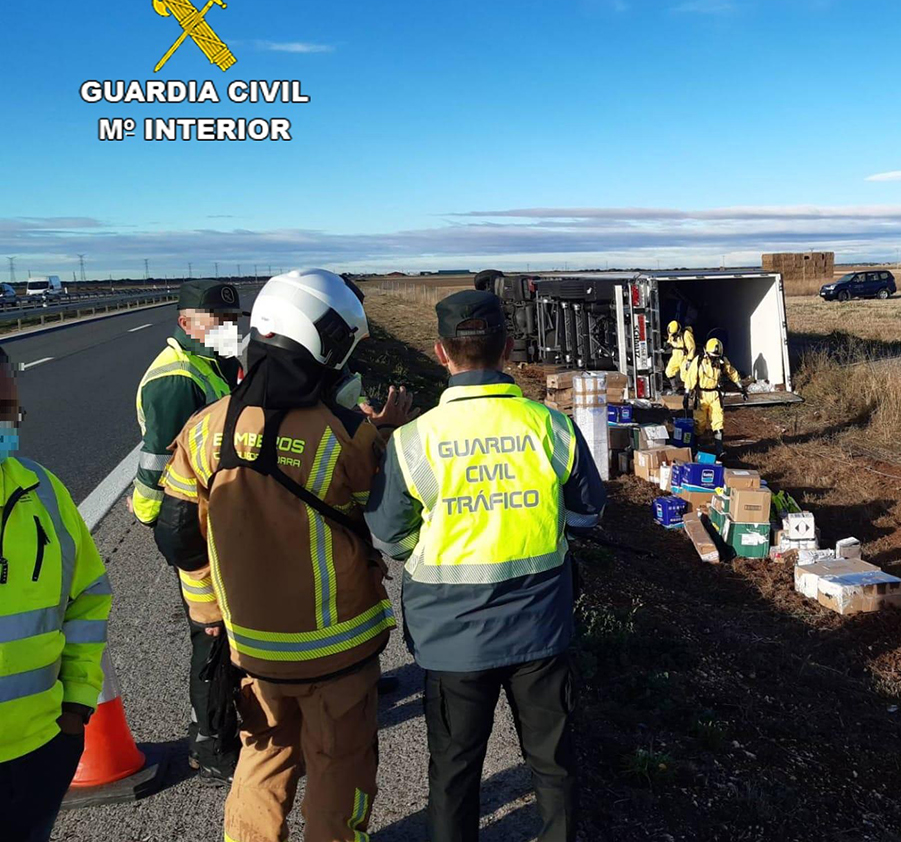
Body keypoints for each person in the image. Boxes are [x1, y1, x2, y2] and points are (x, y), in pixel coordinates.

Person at [153, 269, 412, 842]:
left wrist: (209, 618)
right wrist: (386, 435)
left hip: (252, 652)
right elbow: (388, 515)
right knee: (339, 769)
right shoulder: (346, 433)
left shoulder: (203, 430)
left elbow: (176, 537)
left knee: (263, 761)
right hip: (340, 649)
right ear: (321, 343)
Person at [366, 290, 606, 842]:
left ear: (440, 353)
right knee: (554, 764)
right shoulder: (552, 428)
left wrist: (426, 554)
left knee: (454, 772)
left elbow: (388, 533)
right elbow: (589, 514)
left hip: (451, 640)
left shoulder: (413, 441)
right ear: (509, 347)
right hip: (542, 631)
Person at [131, 278, 243, 780]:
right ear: (185, 323)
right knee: (212, 633)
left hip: (218, 518)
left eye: (231, 319)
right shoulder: (177, 379)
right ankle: (211, 741)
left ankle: (231, 719)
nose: (224, 328)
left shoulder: (214, 364)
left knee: (231, 626)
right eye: (213, 320)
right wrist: (164, 530)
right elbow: (157, 465)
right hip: (192, 527)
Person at [0, 345, 113, 841]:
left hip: (40, 755)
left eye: (7, 411)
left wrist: (78, 709)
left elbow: (88, 597)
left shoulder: (42, 490)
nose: (6, 426)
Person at [685, 337, 745, 455]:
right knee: (700, 423)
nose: (714, 359)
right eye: (712, 357)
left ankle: (719, 450)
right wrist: (686, 394)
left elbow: (731, 372)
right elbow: (691, 377)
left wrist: (740, 386)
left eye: (716, 357)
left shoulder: (721, 362)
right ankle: (695, 448)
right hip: (701, 395)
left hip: (715, 395)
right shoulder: (698, 361)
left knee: (718, 421)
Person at [663, 319, 695, 392]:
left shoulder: (686, 334)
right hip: (676, 355)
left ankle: (689, 390)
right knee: (669, 371)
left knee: (684, 375)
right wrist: (665, 348)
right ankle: (675, 388)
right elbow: (670, 341)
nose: (672, 336)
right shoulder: (672, 333)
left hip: (684, 356)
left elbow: (692, 348)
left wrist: (689, 360)